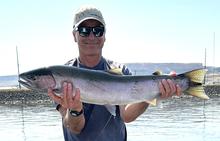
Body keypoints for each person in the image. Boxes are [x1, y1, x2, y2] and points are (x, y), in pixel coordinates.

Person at [48, 5, 181, 141]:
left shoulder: (120, 71)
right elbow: (75, 127)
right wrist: (75, 109)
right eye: (84, 30)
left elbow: (126, 115)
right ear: (74, 35)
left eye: (98, 31)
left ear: (105, 36)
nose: (92, 36)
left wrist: (152, 94)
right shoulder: (61, 77)